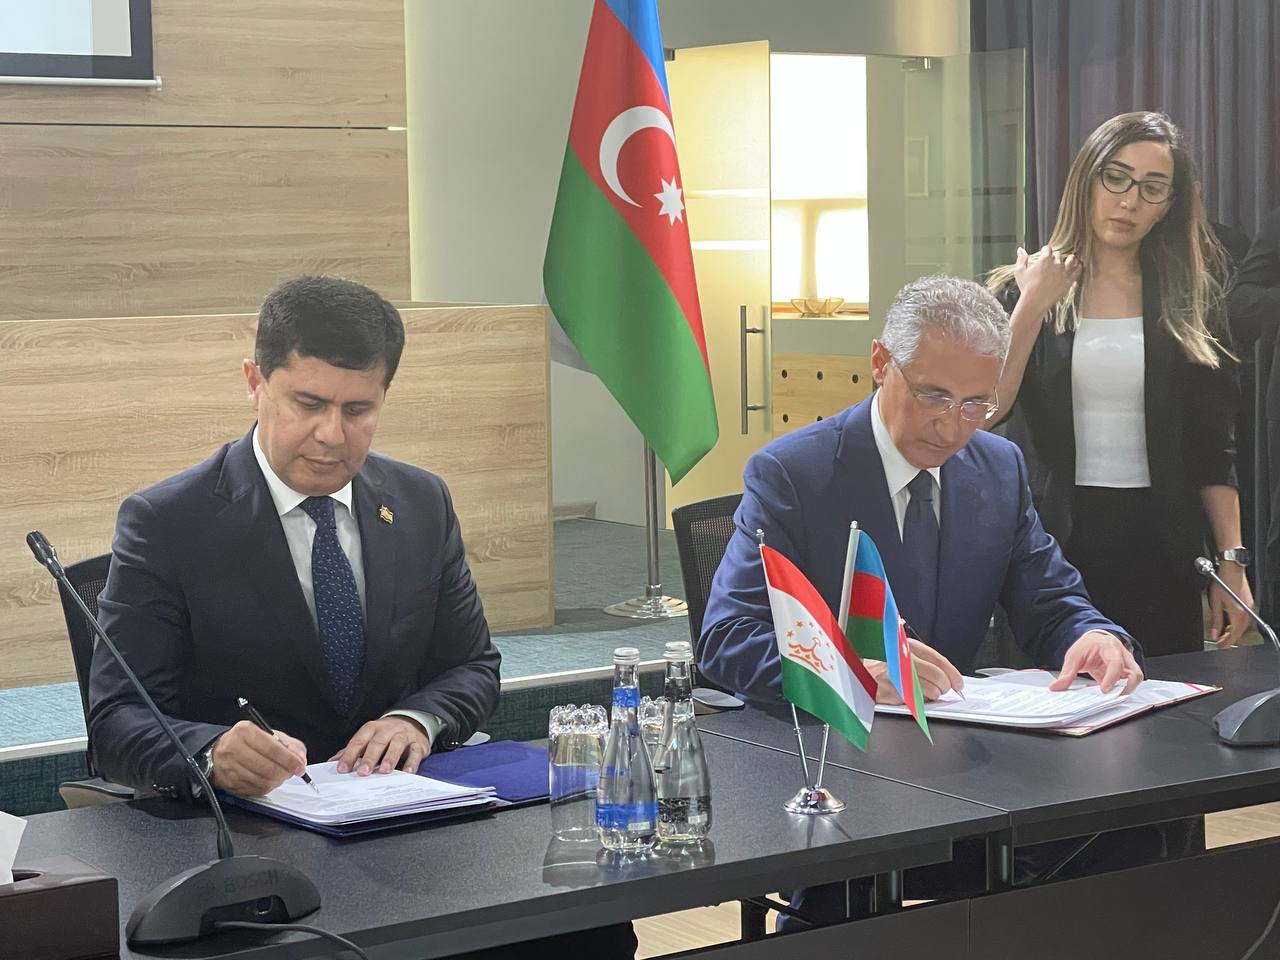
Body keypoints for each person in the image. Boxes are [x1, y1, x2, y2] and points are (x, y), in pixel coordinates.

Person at [88, 276, 635, 959]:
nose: (331, 435)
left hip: (406, 832)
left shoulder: (421, 501)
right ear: (255, 383)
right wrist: (210, 753)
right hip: (252, 854)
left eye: (358, 410)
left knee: (588, 925)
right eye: (308, 404)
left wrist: (417, 719)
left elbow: (471, 666)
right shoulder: (169, 522)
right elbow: (116, 721)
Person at [699, 274, 1201, 927]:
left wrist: (1093, 635)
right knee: (853, 904)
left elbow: (1051, 599)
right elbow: (727, 640)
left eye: (975, 404)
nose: (951, 426)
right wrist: (854, 673)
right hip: (833, 770)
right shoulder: (794, 474)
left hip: (962, 767)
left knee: (1132, 837)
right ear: (881, 363)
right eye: (934, 395)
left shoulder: (998, 468)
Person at [987, 111, 1248, 656]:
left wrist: (1232, 561)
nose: (1129, 201)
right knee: (1051, 694)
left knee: (1163, 697)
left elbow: (1213, 447)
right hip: (1050, 543)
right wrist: (1033, 303)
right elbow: (986, 409)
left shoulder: (1190, 299)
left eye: (1152, 188)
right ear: (1086, 179)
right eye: (1116, 178)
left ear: (1168, 205)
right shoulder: (1021, 289)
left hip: (1162, 543)